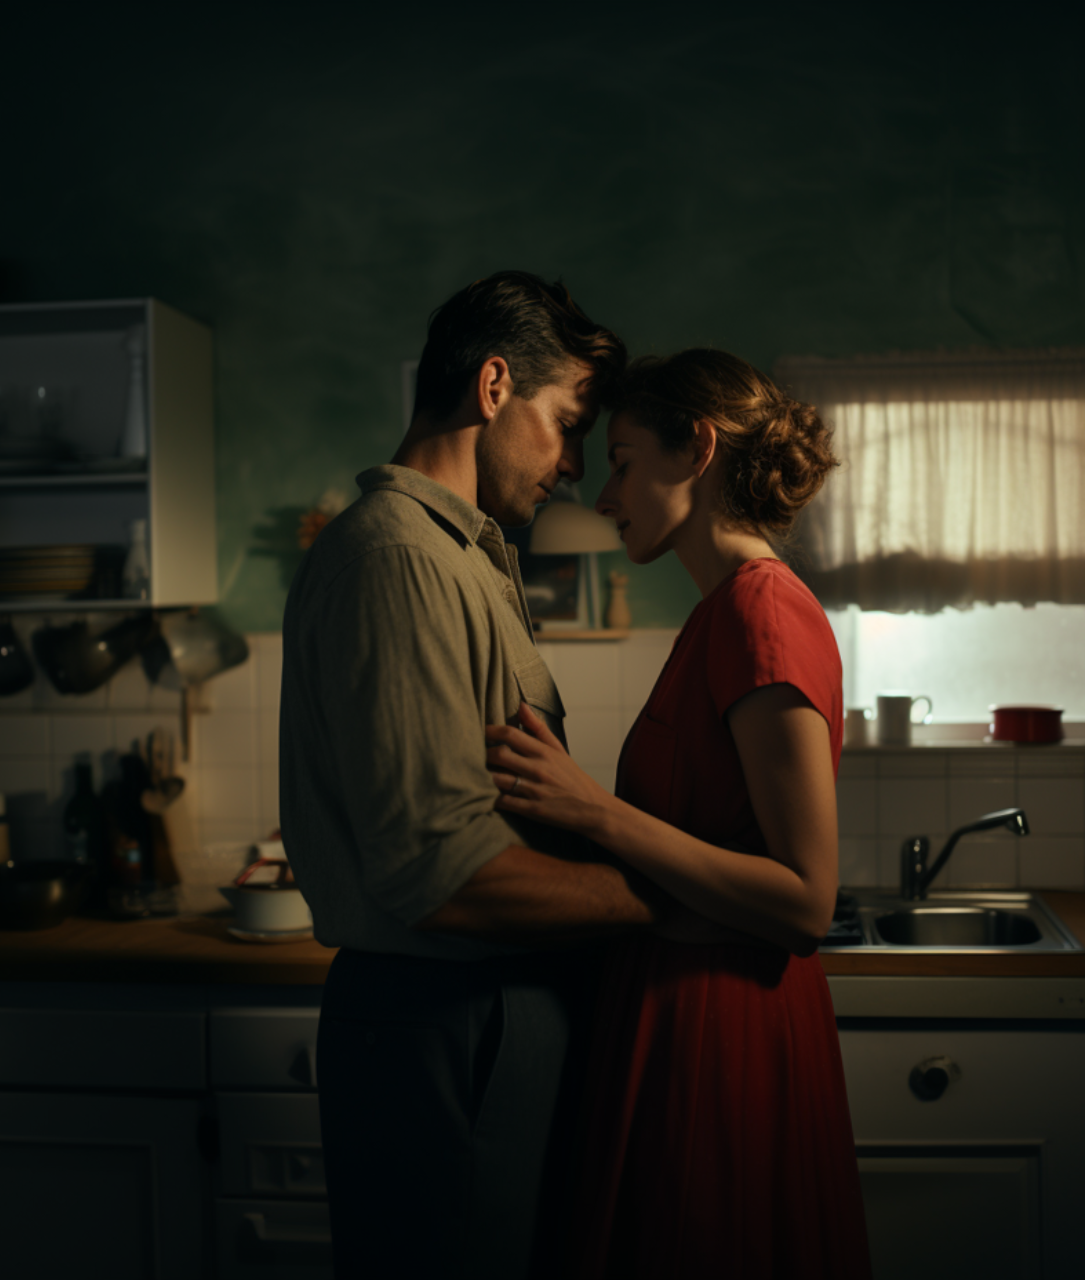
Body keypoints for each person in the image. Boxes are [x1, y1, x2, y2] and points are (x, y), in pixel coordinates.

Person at [278, 271, 669, 1280]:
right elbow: (442, 872)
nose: (576, 467)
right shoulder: (398, 558)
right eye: (568, 425)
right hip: (445, 1027)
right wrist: (656, 901)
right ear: (495, 384)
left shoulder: (465, 558)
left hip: (483, 1018)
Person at [484, 348, 873, 1278]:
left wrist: (593, 812)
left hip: (721, 1037)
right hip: (675, 1019)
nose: (605, 493)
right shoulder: (720, 612)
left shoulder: (762, 613)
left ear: (696, 449)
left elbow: (805, 902)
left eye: (620, 461)